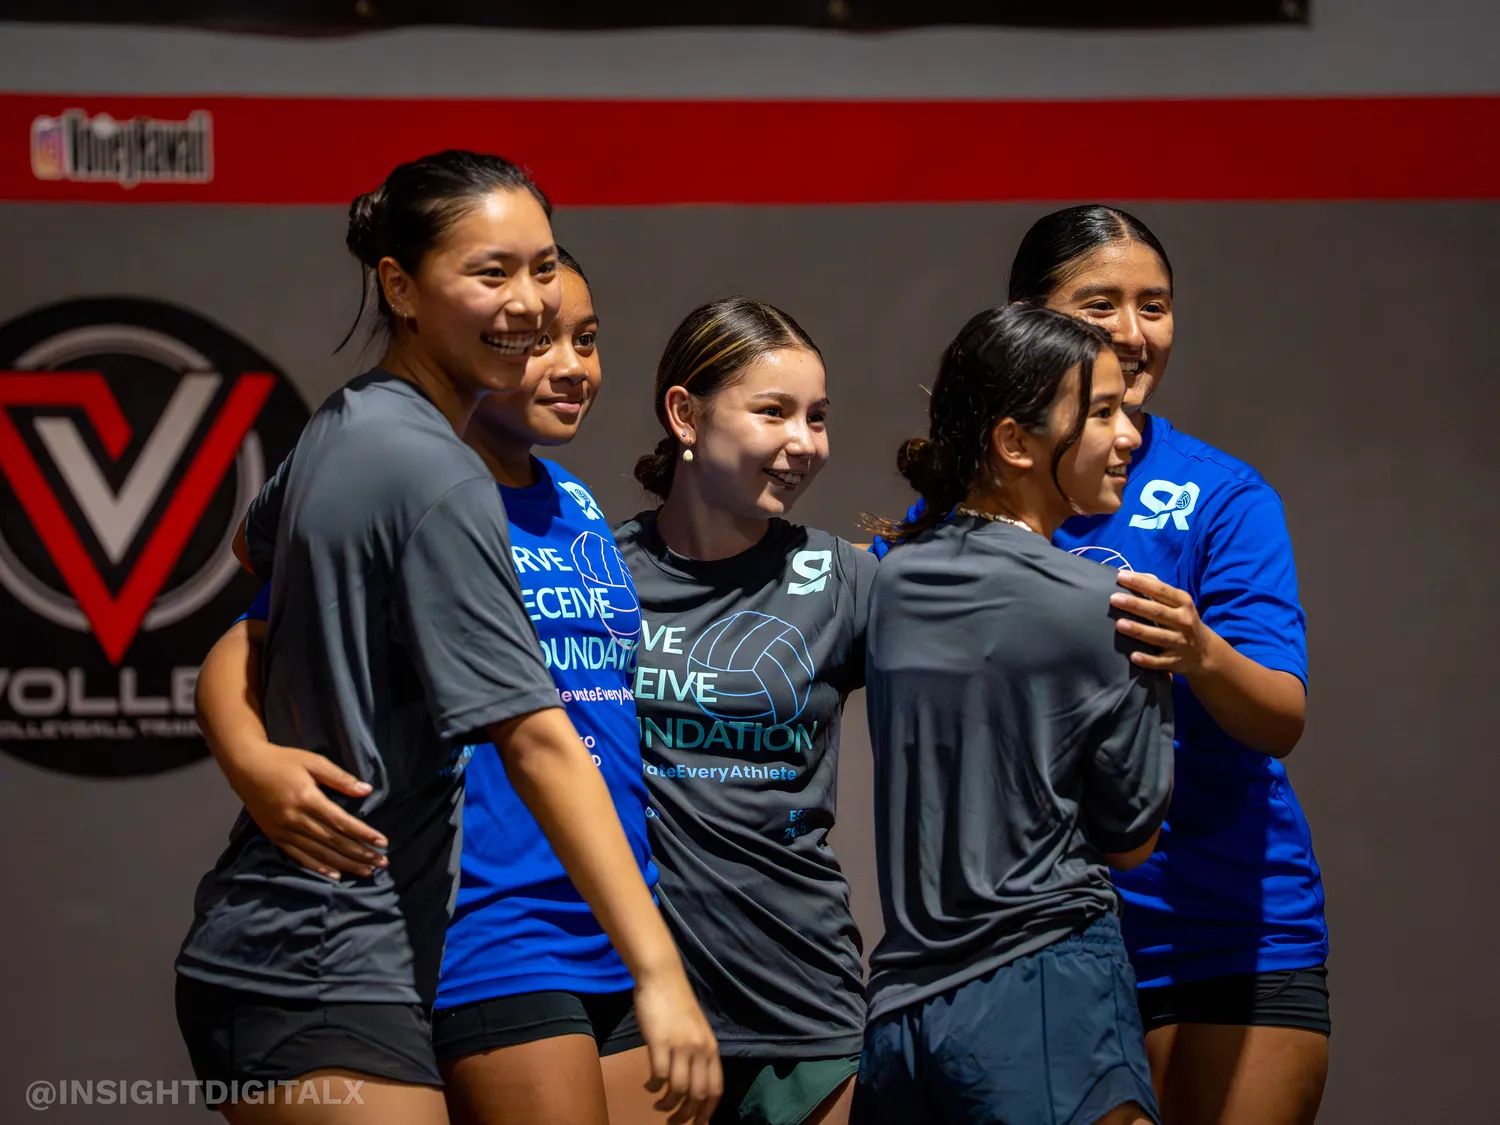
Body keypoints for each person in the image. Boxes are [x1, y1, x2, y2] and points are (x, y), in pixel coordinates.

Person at [178, 151, 717, 1124]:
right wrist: (662, 973)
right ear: (400, 287)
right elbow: (537, 738)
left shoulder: (350, 423)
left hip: (359, 950)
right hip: (319, 952)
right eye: (490, 272)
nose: (530, 303)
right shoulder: (437, 475)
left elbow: (259, 553)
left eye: (543, 267)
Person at [876, 205, 1329, 1125]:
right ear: (1028, 323)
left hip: (1221, 929)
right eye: (1099, 304)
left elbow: (1280, 716)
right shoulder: (946, 528)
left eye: (1153, 304)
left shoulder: (1222, 494)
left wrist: (1200, 652)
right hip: (1022, 951)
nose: (1132, 330)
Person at [855, 302, 1172, 1125]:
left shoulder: (886, 581)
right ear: (1014, 442)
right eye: (1102, 412)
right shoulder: (1112, 607)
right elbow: (1133, 842)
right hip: (1047, 996)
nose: (1130, 436)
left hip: (900, 1020)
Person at [604, 297, 876, 1125]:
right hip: (638, 1002)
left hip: (806, 996)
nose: (805, 442)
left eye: (817, 417)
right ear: (684, 414)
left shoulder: (845, 579)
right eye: (774, 411)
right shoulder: (598, 575)